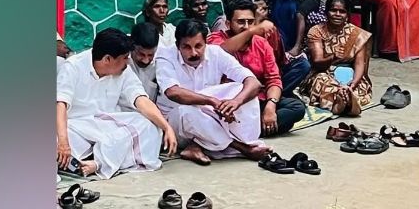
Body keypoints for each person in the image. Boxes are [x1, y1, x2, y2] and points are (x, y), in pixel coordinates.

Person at [56, 28, 178, 179]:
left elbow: (141, 99)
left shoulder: (124, 70)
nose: (128, 61)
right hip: (75, 127)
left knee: (150, 125)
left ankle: (98, 163)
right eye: (125, 57)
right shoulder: (73, 66)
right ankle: (89, 160)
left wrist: (166, 127)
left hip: (109, 127)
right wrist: (63, 143)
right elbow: (60, 104)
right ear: (107, 59)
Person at [155, 19, 272, 165]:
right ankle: (243, 148)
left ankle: (197, 146)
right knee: (186, 112)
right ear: (177, 45)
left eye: (198, 46)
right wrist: (211, 101)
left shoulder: (215, 53)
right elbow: (173, 92)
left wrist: (235, 102)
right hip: (175, 124)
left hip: (213, 116)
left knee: (241, 90)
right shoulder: (165, 56)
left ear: (206, 43)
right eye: (186, 47)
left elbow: (253, 82)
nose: (194, 53)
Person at [208, 0, 307, 136]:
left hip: (257, 100)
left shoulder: (261, 43)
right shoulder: (216, 39)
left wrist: (270, 106)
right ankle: (253, 129)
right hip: (228, 103)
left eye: (250, 22)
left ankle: (248, 129)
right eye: (241, 22)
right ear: (228, 24)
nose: (247, 26)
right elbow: (219, 52)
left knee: (297, 107)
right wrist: (251, 31)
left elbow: (273, 79)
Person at [301, 0, 373, 116]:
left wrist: (352, 83)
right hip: (324, 71)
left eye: (342, 11)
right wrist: (333, 57)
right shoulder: (316, 31)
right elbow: (317, 62)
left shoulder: (357, 34)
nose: (337, 14)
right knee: (321, 81)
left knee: (359, 86)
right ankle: (340, 103)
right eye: (333, 10)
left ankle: (346, 99)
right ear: (326, 12)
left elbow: (360, 64)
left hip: (350, 75)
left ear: (347, 14)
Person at [236, 0, 312, 97]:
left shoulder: (271, 29)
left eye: (265, 9)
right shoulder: (239, 28)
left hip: (271, 76)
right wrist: (255, 23)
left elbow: (279, 61)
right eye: (257, 9)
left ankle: (275, 96)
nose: (262, 12)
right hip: (247, 79)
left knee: (303, 65)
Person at [119, 22, 160, 109]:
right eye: (141, 54)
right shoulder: (118, 58)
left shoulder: (161, 59)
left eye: (150, 55)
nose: (146, 61)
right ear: (131, 46)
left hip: (150, 116)